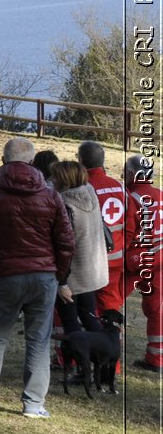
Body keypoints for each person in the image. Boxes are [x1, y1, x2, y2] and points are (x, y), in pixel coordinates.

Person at [0, 137, 75, 417]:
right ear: (32, 162)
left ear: (3, 159)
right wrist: (59, 273)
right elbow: (66, 240)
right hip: (42, 275)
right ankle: (33, 403)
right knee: (38, 340)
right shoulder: (50, 195)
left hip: (4, 274)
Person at [50, 160, 106, 335]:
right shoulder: (91, 195)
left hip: (71, 274)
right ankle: (104, 357)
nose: (51, 179)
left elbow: (64, 246)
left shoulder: (65, 206)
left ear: (63, 180)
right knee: (89, 317)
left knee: (71, 323)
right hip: (91, 271)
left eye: (55, 176)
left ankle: (78, 361)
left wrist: (62, 282)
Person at [80, 141, 129, 317]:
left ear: (80, 161)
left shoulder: (84, 188)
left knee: (89, 306)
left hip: (93, 258)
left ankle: (98, 338)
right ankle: (114, 338)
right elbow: (130, 224)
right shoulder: (121, 187)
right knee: (110, 302)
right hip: (117, 255)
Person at [124, 155, 162, 373]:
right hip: (160, 258)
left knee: (110, 301)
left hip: (135, 260)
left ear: (132, 174)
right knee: (156, 308)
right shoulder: (161, 196)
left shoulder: (130, 197)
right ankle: (156, 358)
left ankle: (104, 353)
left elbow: (127, 233)